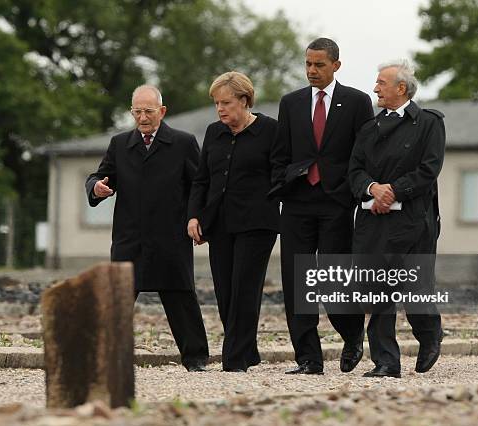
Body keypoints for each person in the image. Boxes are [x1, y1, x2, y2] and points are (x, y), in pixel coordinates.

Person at [85, 85, 209, 372]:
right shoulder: (119, 144)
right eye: (137, 112)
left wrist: (196, 218)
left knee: (181, 297)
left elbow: (200, 186)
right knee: (119, 299)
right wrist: (98, 187)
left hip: (171, 236)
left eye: (148, 112)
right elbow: (99, 176)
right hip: (130, 237)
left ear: (162, 112)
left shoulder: (183, 142)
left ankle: (196, 358)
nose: (142, 118)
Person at [269, 38, 373, 375]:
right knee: (298, 281)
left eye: (319, 65)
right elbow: (280, 154)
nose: (312, 71)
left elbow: (364, 154)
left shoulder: (357, 102)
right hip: (298, 201)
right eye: (308, 65)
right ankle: (309, 359)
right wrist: (284, 182)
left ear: (336, 66)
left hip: (337, 202)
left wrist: (351, 193)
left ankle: (352, 334)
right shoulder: (291, 103)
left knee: (334, 279)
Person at [348, 59, 445, 378]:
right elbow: (355, 171)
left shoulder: (429, 123)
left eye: (381, 83)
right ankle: (386, 362)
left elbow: (429, 170)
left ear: (401, 88)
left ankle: (430, 335)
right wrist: (373, 189)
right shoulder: (368, 129)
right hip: (374, 222)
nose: (375, 88)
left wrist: (393, 191)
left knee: (416, 288)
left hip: (415, 221)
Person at [187, 71, 279, 372]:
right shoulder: (214, 132)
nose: (220, 109)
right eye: (216, 103)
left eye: (226, 102)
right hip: (220, 223)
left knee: (244, 290)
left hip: (257, 224)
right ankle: (248, 351)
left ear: (244, 100)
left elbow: (281, 176)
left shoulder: (271, 131)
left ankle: (234, 360)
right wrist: (194, 216)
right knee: (225, 293)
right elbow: (201, 180)